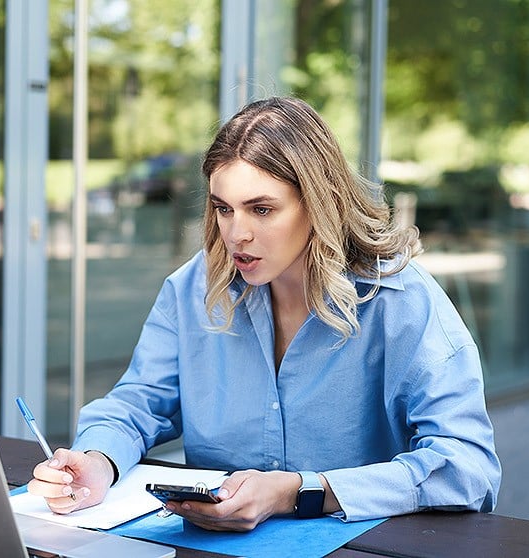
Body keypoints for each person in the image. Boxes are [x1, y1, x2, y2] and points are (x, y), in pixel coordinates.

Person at [27, 96, 501, 532]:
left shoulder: (401, 302)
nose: (237, 234)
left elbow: (467, 468)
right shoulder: (193, 288)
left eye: (261, 209)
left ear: (319, 204)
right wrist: (97, 460)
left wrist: (301, 492)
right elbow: (136, 404)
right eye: (223, 209)